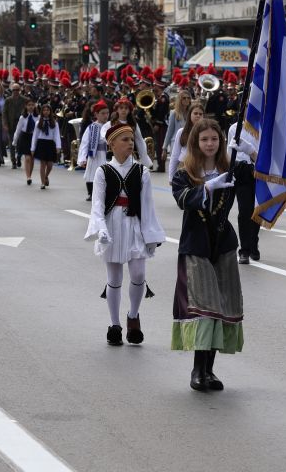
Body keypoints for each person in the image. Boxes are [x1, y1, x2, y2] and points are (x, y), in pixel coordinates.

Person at [171, 118, 243, 392]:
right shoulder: (184, 174)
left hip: (223, 244)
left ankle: (210, 371)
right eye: (205, 139)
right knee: (206, 307)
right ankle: (197, 370)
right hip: (196, 246)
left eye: (215, 139)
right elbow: (182, 199)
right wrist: (207, 188)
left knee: (222, 305)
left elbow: (262, 177)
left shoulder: (231, 170)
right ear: (195, 143)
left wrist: (248, 150)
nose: (210, 143)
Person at [85, 123, 165, 345]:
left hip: (135, 224)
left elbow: (147, 206)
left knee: (138, 274)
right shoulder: (103, 171)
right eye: (125, 140)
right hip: (112, 225)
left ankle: (133, 316)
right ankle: (114, 324)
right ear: (111, 145)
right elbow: (98, 204)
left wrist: (151, 235)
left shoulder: (142, 171)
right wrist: (100, 228)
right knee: (115, 278)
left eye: (132, 139)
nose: (131, 143)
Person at [226, 121, 260, 264]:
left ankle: (253, 243)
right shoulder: (235, 128)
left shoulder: (263, 128)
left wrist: (251, 151)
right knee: (245, 211)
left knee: (257, 210)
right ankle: (244, 250)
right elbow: (229, 153)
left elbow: (263, 158)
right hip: (241, 171)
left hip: (258, 171)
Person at [100, 97, 153, 168]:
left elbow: (140, 141)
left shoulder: (133, 125)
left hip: (130, 156)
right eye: (121, 108)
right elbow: (103, 134)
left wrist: (145, 158)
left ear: (129, 110)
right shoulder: (111, 124)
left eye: (126, 108)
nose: (123, 110)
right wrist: (111, 140)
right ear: (117, 110)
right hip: (114, 155)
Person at [77, 100, 110, 202]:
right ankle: (91, 193)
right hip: (94, 154)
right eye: (103, 113)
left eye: (107, 113)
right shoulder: (92, 127)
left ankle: (104, 192)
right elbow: (85, 143)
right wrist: (82, 158)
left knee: (105, 174)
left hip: (105, 154)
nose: (105, 116)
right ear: (96, 114)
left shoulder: (110, 126)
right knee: (91, 173)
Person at [167, 100, 205, 180]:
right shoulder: (181, 132)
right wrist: (171, 177)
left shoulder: (206, 133)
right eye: (195, 113)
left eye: (200, 114)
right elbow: (175, 155)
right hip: (183, 167)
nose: (198, 116)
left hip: (200, 169)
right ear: (190, 115)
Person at [31, 103, 62, 190]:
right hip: (41, 143)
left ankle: (46, 176)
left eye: (47, 110)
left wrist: (58, 146)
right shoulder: (38, 122)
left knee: (50, 164)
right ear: (42, 111)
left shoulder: (54, 123)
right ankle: (42, 183)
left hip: (50, 143)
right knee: (42, 164)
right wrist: (33, 148)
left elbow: (56, 135)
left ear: (50, 111)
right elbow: (35, 136)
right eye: (44, 110)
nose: (46, 112)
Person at [12, 98, 38, 185]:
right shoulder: (23, 117)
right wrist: (14, 141)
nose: (31, 107)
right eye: (29, 105)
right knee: (27, 158)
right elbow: (18, 130)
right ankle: (28, 177)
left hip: (34, 137)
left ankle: (30, 174)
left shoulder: (37, 117)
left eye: (32, 105)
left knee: (32, 158)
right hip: (25, 137)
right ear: (26, 106)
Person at [163, 89, 191, 166]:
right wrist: (164, 148)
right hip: (176, 143)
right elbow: (169, 131)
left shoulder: (191, 113)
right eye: (184, 98)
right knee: (175, 167)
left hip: (188, 143)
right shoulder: (174, 113)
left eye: (188, 98)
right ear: (180, 99)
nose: (186, 100)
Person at [3, 83, 27, 169]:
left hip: (21, 124)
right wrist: (5, 124)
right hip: (11, 124)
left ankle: (19, 157)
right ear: (12, 91)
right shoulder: (8, 100)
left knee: (20, 143)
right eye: (14, 90)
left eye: (17, 90)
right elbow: (4, 113)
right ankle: (13, 161)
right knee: (11, 143)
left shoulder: (24, 99)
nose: (16, 92)